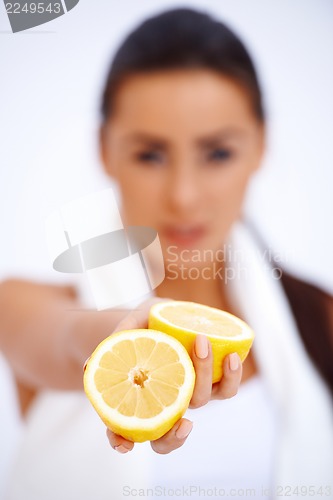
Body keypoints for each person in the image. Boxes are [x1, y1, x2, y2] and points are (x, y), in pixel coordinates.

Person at [1, 8, 332, 500]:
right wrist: (119, 339)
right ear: (105, 150)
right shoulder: (23, 306)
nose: (183, 196)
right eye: (150, 155)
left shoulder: (320, 316)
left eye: (217, 153)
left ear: (260, 146)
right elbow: (68, 340)